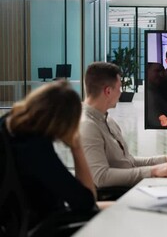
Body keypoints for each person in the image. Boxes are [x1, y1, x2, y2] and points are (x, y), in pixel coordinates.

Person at [0, 81, 98, 229]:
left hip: (14, 222)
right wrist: (76, 148)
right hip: (46, 225)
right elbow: (86, 202)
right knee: (114, 210)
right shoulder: (37, 149)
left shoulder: (7, 125)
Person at [80, 62, 167, 188]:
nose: (121, 92)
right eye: (119, 87)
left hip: (128, 187)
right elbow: (100, 177)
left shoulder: (108, 120)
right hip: (116, 194)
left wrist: (165, 159)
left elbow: (128, 162)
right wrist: (153, 171)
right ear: (108, 91)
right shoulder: (87, 126)